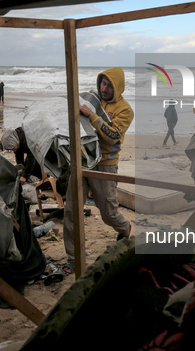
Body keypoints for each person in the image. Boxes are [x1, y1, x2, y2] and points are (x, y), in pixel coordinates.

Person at [62, 67, 134, 275]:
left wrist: (92, 115)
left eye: (110, 85)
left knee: (108, 214)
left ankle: (124, 228)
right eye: (102, 83)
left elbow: (112, 136)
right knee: (71, 210)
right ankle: (73, 259)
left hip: (105, 164)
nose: (104, 88)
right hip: (83, 160)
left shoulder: (125, 110)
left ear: (118, 87)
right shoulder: (91, 99)